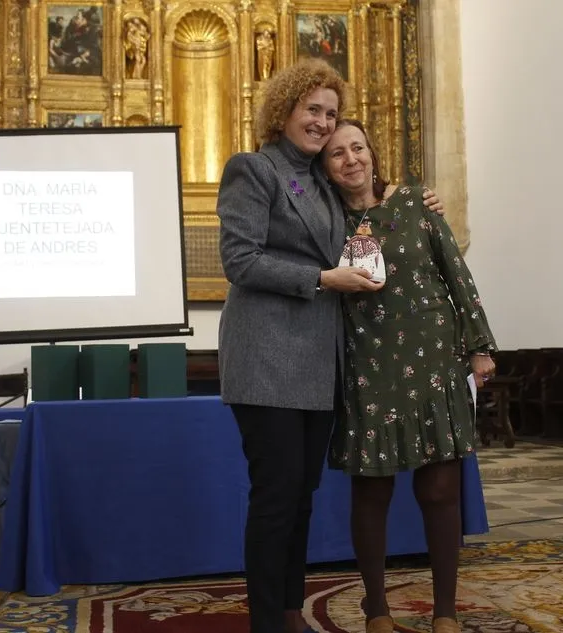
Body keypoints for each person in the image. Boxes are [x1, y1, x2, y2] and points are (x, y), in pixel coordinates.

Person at [216, 60, 442, 633]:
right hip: (266, 361)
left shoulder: (321, 180)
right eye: (312, 110)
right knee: (276, 497)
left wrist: (416, 201)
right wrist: (321, 279)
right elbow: (239, 261)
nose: (322, 122)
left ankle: (290, 610)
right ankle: (268, 622)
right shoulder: (254, 169)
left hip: (319, 365)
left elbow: (370, 208)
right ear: (283, 110)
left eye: (331, 113)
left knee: (301, 497)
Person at [322, 120, 497, 633]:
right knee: (371, 494)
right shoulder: (324, 219)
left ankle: (445, 611)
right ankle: (376, 609)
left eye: (358, 147)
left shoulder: (418, 202)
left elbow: (456, 273)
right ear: (325, 168)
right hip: (367, 365)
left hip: (434, 362)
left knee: (440, 491)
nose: (351, 159)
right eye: (337, 153)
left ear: (373, 153)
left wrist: (479, 346)